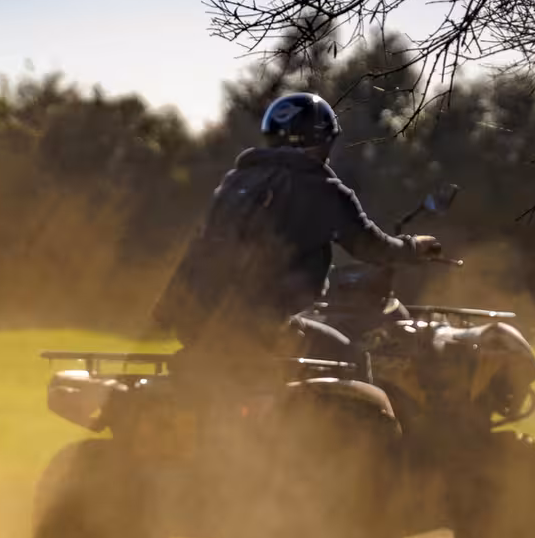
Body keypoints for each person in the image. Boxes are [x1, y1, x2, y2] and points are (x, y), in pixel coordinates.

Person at [151, 92, 444, 372]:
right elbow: (371, 247)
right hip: (261, 327)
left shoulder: (237, 180)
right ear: (321, 140)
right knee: (350, 357)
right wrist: (413, 247)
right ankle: (351, 426)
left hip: (196, 324)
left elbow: (203, 243)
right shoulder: (322, 188)